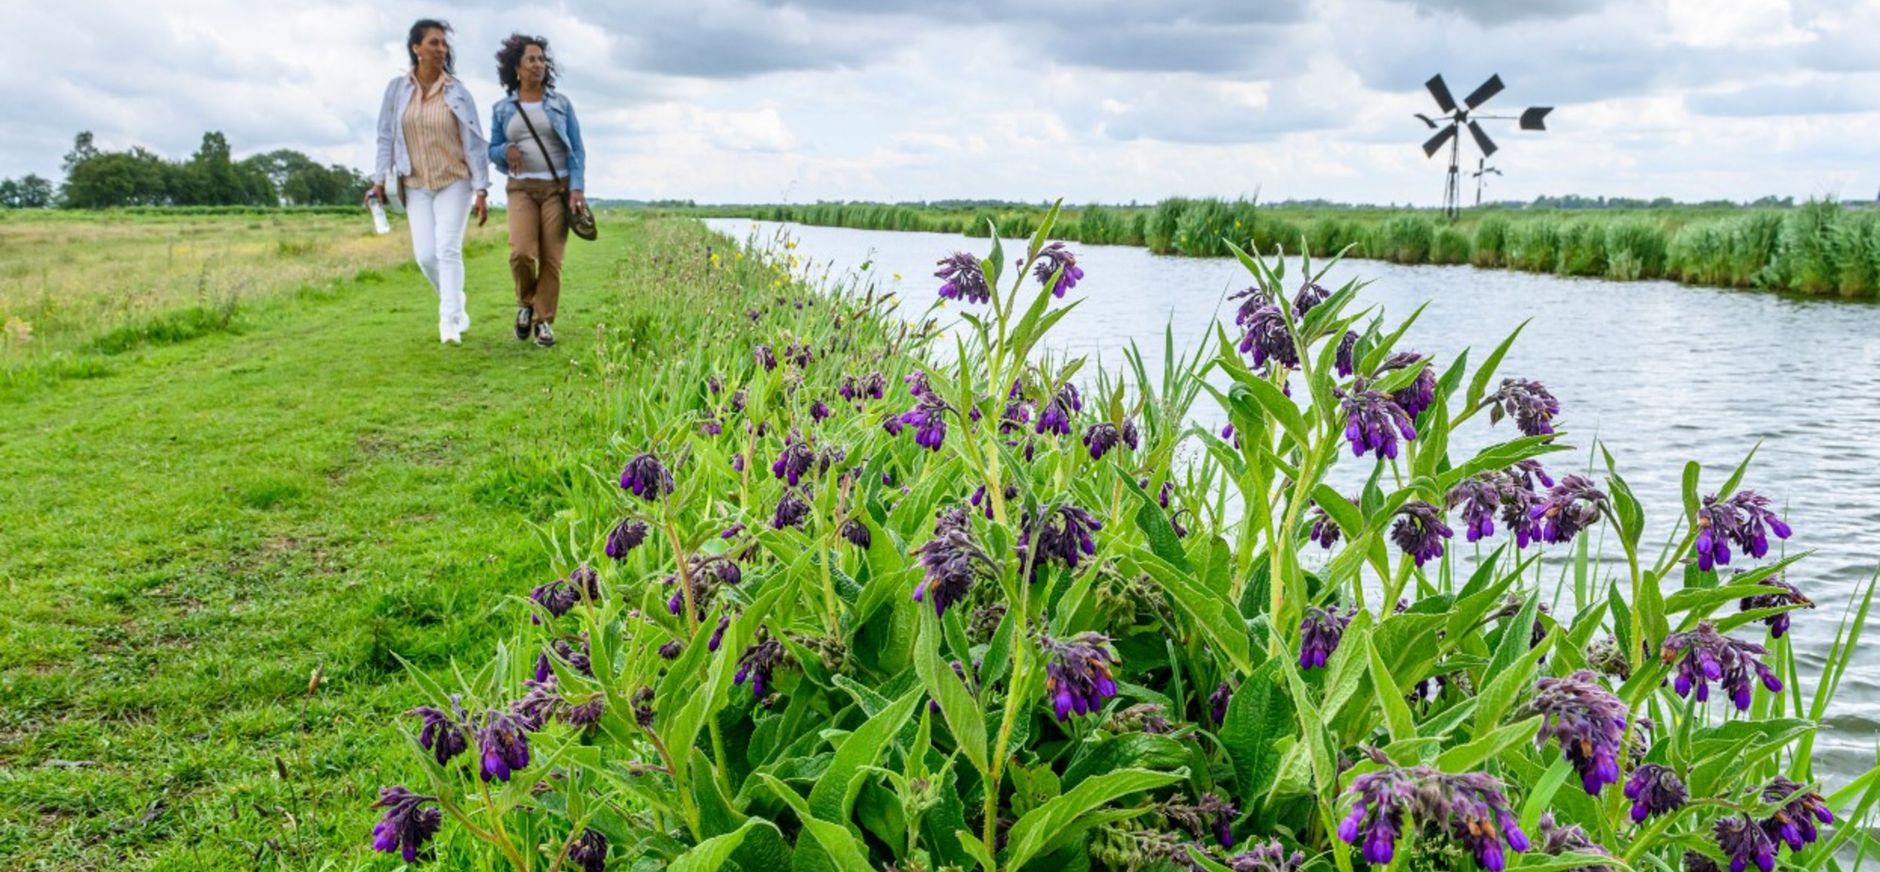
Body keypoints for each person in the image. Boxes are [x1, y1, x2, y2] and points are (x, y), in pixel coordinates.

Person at [371, 19, 491, 345]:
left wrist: (481, 188)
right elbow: (385, 136)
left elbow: (474, 141)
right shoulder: (397, 91)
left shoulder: (457, 91)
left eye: (443, 44)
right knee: (425, 256)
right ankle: (455, 300)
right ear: (416, 48)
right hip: (414, 183)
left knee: (448, 249)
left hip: (454, 180)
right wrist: (379, 180)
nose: (441, 49)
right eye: (434, 43)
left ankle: (449, 321)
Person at [488, 33, 587, 348]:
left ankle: (542, 321)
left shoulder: (561, 104)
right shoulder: (503, 108)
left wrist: (577, 188)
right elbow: (491, 148)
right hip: (522, 189)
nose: (538, 65)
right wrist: (506, 150)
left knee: (552, 259)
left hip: (557, 188)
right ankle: (525, 303)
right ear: (516, 66)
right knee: (521, 252)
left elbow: (577, 149)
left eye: (542, 59)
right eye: (531, 59)